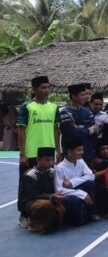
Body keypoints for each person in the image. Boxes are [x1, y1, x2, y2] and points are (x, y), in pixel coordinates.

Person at [17, 75, 62, 216]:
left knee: (48, 184)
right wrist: (23, 154)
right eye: (43, 87)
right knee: (26, 186)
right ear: (34, 90)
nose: (47, 90)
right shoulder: (27, 107)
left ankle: (45, 215)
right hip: (32, 153)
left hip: (49, 152)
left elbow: (56, 129)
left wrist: (58, 150)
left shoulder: (54, 107)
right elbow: (21, 130)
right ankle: (24, 215)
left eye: (48, 87)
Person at [18, 147, 65, 233]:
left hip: (49, 199)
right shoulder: (29, 175)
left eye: (52, 160)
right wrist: (51, 196)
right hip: (30, 201)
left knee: (61, 207)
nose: (50, 163)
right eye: (47, 160)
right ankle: (33, 222)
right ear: (38, 160)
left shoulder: (53, 172)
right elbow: (31, 195)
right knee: (46, 206)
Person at [54, 143, 99, 225]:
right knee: (80, 219)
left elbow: (91, 176)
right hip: (68, 193)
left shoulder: (80, 161)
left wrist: (72, 182)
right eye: (79, 150)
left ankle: (92, 212)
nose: (82, 152)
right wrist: (82, 194)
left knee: (90, 183)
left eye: (82, 149)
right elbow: (59, 190)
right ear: (69, 152)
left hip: (76, 188)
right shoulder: (59, 168)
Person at [60, 84, 97, 163]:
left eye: (86, 94)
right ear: (73, 96)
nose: (85, 97)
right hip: (71, 154)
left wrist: (78, 128)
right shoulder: (65, 112)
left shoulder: (88, 111)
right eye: (82, 95)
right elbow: (73, 134)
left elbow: (94, 129)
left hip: (87, 152)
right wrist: (88, 130)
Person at [93, 139, 108, 217]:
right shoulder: (96, 161)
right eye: (102, 149)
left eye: (107, 148)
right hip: (102, 183)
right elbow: (94, 176)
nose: (105, 151)